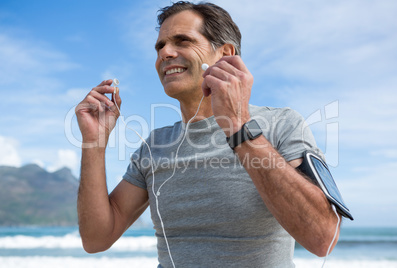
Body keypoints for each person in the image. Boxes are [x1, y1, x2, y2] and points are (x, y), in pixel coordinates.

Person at [75, 1, 341, 267]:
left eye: (182, 41)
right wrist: (93, 142)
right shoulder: (153, 147)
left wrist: (238, 126)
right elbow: (97, 239)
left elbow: (322, 239)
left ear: (225, 54)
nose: (165, 53)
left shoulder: (283, 124)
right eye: (160, 46)